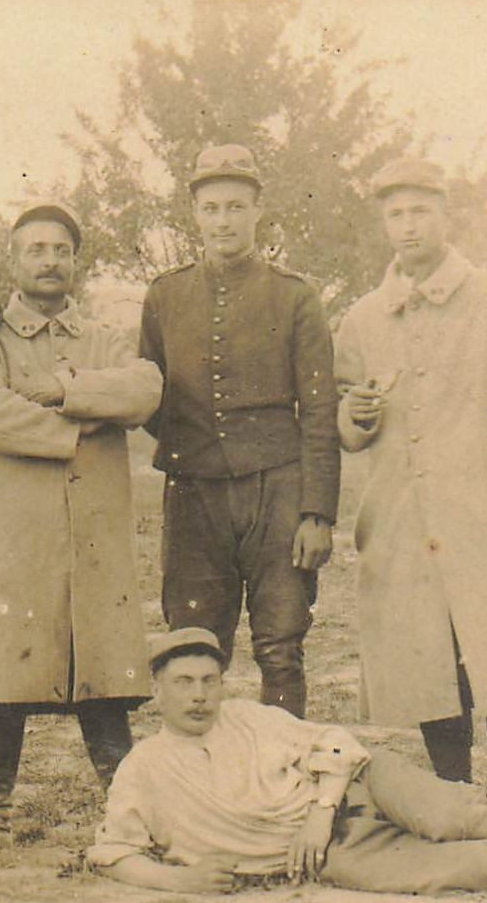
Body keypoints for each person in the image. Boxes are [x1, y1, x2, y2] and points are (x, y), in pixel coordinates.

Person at [88, 628, 487, 895]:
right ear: (156, 692)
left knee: (452, 813)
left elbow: (339, 742)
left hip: (357, 792)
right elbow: (114, 855)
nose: (199, 696)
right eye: (184, 683)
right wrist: (180, 882)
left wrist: (320, 809)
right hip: (333, 857)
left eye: (209, 681)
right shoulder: (145, 769)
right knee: (470, 867)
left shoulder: (249, 716)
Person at [0, 201, 163, 859]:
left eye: (60, 250)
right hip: (15, 536)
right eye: (34, 249)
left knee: (102, 674)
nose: (48, 261)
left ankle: (126, 817)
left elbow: (142, 391)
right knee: (0, 675)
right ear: (13, 262)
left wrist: (62, 388)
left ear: (74, 261)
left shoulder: (103, 338)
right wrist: (78, 427)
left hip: (94, 533)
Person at [335, 158, 487, 800]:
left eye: (420, 211)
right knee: (429, 655)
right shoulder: (364, 318)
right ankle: (456, 795)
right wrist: (356, 414)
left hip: (482, 507)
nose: (408, 226)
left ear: (446, 215)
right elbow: (346, 421)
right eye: (395, 214)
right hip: (405, 517)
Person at [137, 144, 339, 718]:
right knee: (194, 645)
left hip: (277, 489)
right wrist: (195, 445)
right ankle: (206, 784)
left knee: (281, 645)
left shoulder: (294, 296)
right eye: (211, 208)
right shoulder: (165, 295)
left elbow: (320, 411)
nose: (223, 221)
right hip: (194, 492)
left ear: (257, 212)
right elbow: (150, 393)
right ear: (195, 214)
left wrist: (315, 512)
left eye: (235, 207)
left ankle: (285, 783)